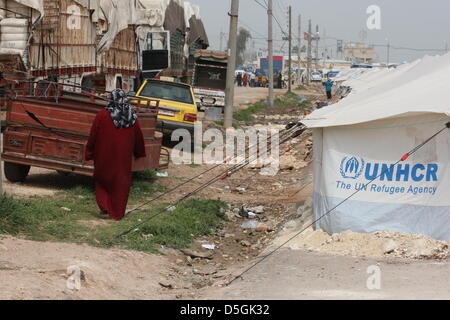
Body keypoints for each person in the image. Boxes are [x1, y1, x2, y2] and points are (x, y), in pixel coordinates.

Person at [85, 89, 146, 221]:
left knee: (102, 180)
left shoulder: (102, 115)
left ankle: (105, 207)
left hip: (103, 156)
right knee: (120, 183)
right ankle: (117, 212)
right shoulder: (132, 118)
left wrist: (89, 152)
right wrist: (139, 152)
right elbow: (138, 137)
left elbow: (93, 135)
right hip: (122, 159)